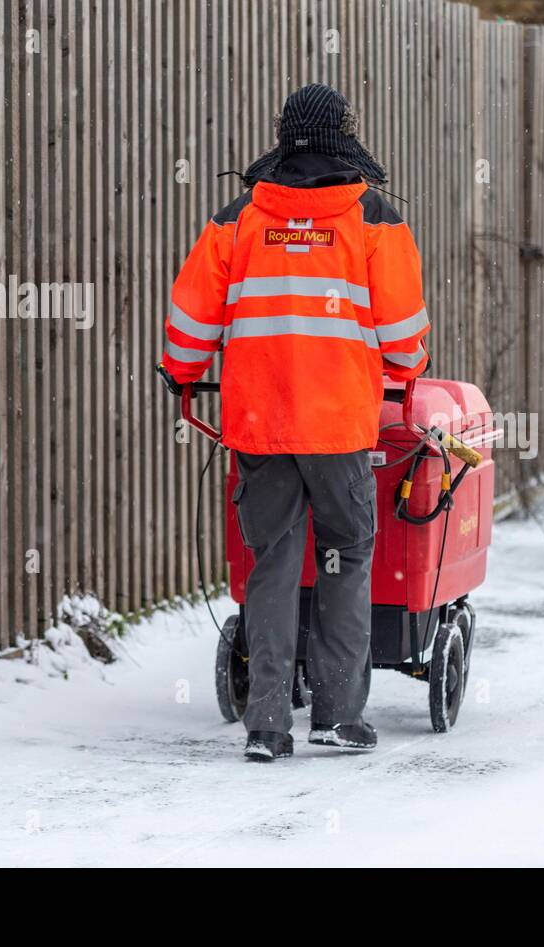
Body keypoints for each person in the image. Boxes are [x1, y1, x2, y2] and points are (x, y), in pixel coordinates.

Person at [161, 84, 430, 762]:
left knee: (274, 562)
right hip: (340, 428)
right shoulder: (373, 219)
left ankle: (267, 723)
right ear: (345, 136)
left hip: (260, 421)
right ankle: (338, 713)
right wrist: (406, 363)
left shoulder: (240, 217)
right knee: (345, 554)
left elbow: (191, 319)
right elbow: (403, 339)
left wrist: (183, 371)